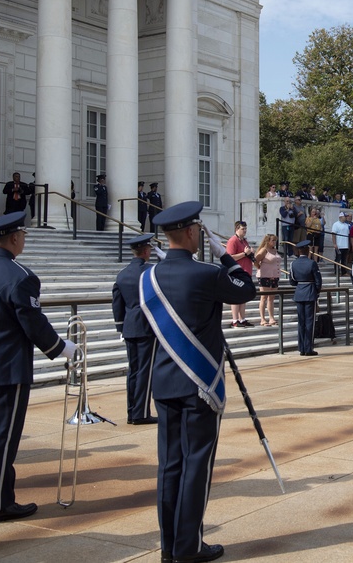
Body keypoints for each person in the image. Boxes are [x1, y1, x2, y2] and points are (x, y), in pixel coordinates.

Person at [141, 201, 256, 563]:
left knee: (169, 465)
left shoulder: (149, 278)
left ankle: (169, 546)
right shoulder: (207, 273)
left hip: (164, 381)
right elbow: (246, 287)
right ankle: (188, 547)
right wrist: (224, 255)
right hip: (199, 382)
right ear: (192, 233)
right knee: (196, 464)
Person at [0, 211, 77, 522]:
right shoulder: (20, 276)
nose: (24, 239)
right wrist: (60, 347)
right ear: (13, 238)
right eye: (22, 234)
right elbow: (32, 322)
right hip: (7, 367)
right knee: (2, 435)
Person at [112, 233, 160, 425]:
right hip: (147, 326)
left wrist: (120, 326)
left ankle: (132, 411)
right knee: (145, 371)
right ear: (147, 251)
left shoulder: (122, 274)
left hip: (130, 326)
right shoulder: (150, 272)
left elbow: (117, 302)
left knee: (133, 370)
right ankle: (140, 413)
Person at [289, 239, 322, 356]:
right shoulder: (312, 263)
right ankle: (308, 348)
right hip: (310, 292)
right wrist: (316, 292)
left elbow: (292, 281)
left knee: (301, 322)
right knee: (309, 322)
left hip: (299, 293)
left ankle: (301, 347)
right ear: (308, 250)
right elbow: (318, 281)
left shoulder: (293, 264)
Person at [225, 220, 255, 327]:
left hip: (246, 272)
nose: (245, 230)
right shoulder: (233, 240)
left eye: (246, 228)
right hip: (237, 272)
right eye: (243, 229)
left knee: (244, 296)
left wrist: (251, 253)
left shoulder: (244, 241)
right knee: (236, 296)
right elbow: (230, 257)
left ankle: (242, 319)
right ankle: (235, 320)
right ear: (237, 229)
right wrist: (244, 253)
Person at [254, 233, 281, 326]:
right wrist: (259, 268)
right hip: (265, 276)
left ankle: (271, 317)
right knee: (264, 297)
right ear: (268, 241)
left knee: (271, 298)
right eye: (272, 240)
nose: (274, 242)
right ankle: (262, 318)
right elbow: (255, 260)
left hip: (275, 275)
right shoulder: (264, 250)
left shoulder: (274, 250)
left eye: (275, 240)